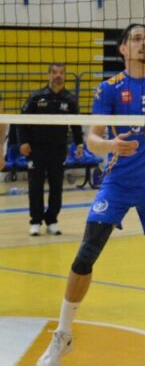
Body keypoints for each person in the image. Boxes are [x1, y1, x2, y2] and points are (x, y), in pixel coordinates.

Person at [35, 24, 145, 366]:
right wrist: (112, 146)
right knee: (86, 253)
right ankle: (63, 334)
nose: (144, 43)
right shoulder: (109, 89)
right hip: (118, 182)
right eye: (137, 39)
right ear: (123, 49)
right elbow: (92, 139)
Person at [19, 63, 83, 236]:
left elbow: (76, 125)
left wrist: (79, 143)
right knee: (35, 187)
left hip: (58, 149)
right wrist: (23, 142)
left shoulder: (69, 100)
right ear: (49, 75)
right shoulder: (36, 97)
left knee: (56, 187)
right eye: (54, 73)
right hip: (36, 150)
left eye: (61, 73)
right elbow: (21, 121)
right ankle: (35, 221)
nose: (58, 76)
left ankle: (52, 220)